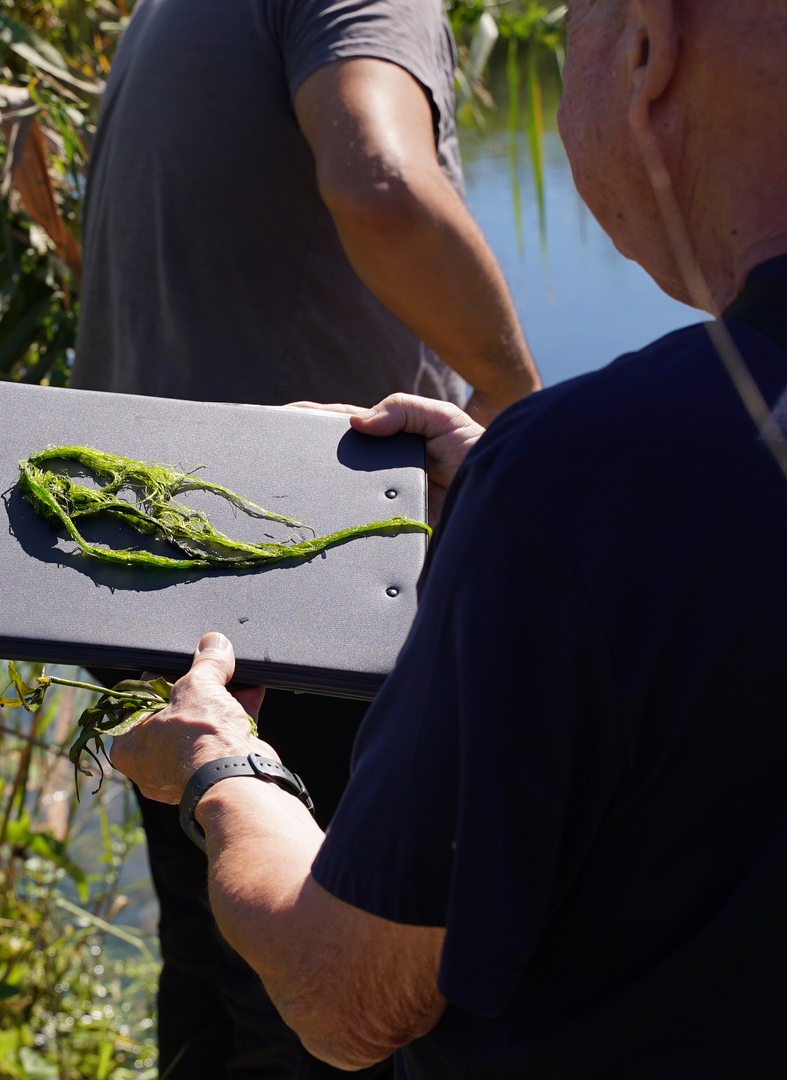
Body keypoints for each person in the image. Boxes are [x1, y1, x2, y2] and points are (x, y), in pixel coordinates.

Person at [110, 0, 787, 1075]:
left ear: (646, 47)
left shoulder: (593, 481)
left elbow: (347, 994)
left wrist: (217, 768)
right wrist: (516, 499)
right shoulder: (597, 494)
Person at [70, 0, 541, 1074]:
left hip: (152, 560)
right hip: (303, 572)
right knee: (327, 1002)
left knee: (212, 954)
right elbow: (379, 180)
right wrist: (516, 391)